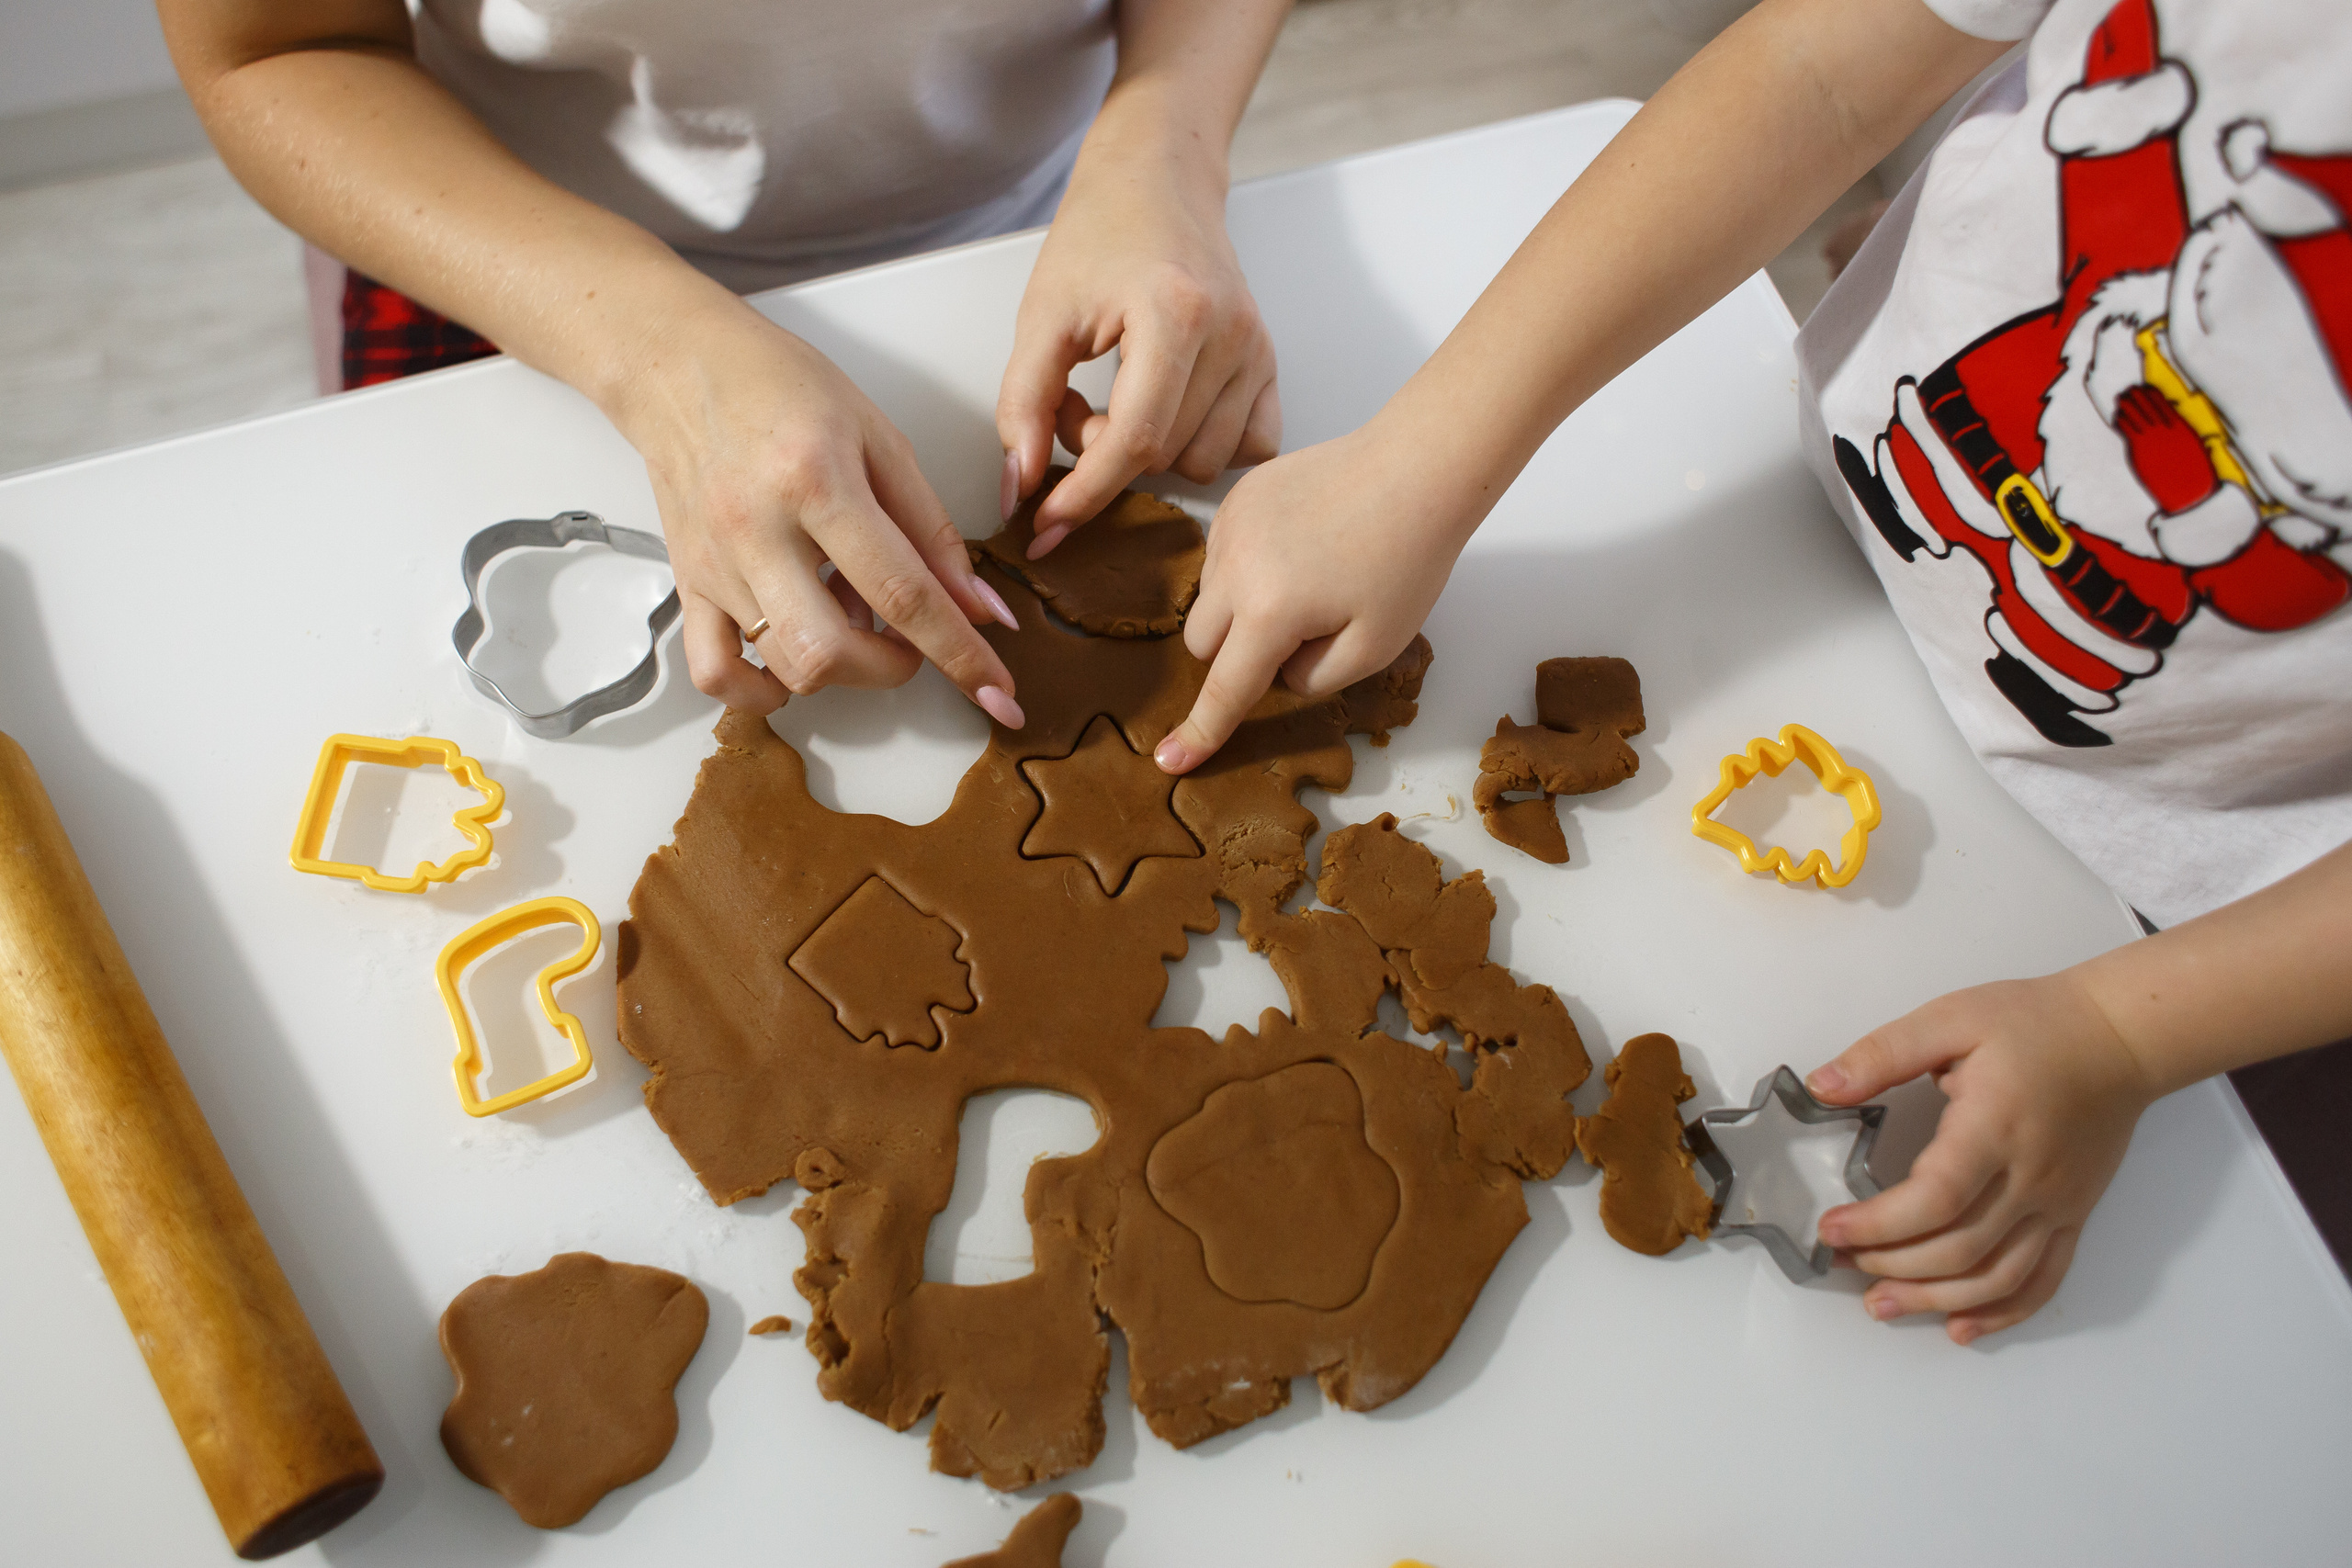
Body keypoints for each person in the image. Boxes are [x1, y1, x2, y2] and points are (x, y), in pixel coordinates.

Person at [1151, 0, 2352, 1340]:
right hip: (1826, 501)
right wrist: (1428, 450)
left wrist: (2128, 1037)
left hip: (2200, 904)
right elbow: (1822, 68)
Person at [157, 0, 1290, 728]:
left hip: (1062, 219)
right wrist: (656, 359)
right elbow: (277, 46)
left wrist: (1166, 152)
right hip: (519, 252)